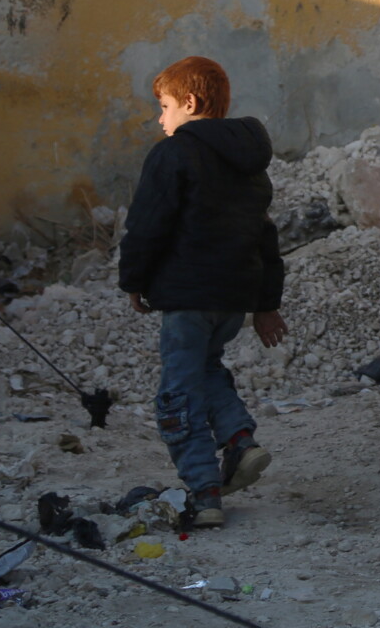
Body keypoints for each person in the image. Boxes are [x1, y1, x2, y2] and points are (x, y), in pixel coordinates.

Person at [118, 56, 287, 528]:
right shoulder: (249, 164)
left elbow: (147, 224)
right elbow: (265, 236)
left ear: (189, 103)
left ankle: (204, 490)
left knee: (177, 393)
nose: (161, 118)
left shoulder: (173, 153)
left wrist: (133, 280)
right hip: (234, 298)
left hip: (187, 298)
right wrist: (266, 306)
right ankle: (239, 442)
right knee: (205, 369)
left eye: (165, 106)